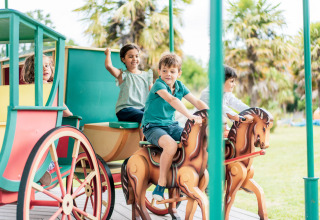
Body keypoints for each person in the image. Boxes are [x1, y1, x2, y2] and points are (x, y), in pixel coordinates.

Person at [141, 53, 209, 201]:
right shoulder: (159, 85)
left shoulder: (180, 86)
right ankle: (161, 183)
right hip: (152, 126)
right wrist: (190, 115)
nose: (168, 74)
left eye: (172, 71)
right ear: (159, 72)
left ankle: (197, 176)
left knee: (196, 140)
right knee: (171, 146)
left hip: (171, 126)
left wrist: (211, 114)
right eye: (164, 71)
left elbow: (197, 102)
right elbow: (171, 100)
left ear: (179, 73)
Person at [21, 54, 73, 185]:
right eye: (41, 66)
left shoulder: (24, 89)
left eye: (47, 65)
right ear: (33, 70)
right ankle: (45, 168)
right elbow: (67, 113)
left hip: (25, 130)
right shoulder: (50, 89)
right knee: (46, 147)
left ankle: (32, 169)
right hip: (44, 131)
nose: (46, 68)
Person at [104, 44, 153, 140]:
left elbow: (152, 92)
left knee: (153, 115)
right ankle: (144, 144)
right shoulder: (122, 75)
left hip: (141, 108)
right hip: (125, 110)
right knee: (143, 116)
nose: (134, 59)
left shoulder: (146, 75)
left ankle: (157, 141)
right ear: (123, 59)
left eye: (136, 56)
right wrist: (108, 53)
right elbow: (108, 66)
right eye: (130, 56)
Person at [200, 65, 253, 137]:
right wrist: (241, 119)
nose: (234, 84)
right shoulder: (207, 94)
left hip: (220, 128)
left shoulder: (226, 94)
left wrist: (253, 112)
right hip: (203, 130)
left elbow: (238, 104)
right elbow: (224, 109)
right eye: (231, 81)